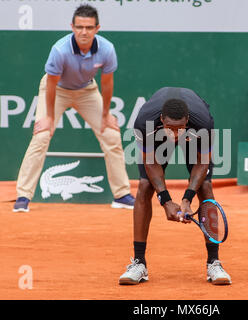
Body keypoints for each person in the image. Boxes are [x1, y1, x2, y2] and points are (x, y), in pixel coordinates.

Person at [13, 4, 135, 212]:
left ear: (97, 28)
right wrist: (50, 117)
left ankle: (121, 195)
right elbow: (51, 84)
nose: (83, 32)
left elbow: (107, 83)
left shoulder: (107, 49)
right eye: (79, 27)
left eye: (88, 28)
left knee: (112, 135)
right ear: (72, 27)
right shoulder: (60, 50)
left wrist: (106, 115)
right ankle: (23, 196)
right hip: (57, 90)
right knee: (41, 136)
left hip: (87, 91)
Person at [119, 87, 231, 285]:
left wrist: (187, 198)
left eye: (179, 128)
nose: (175, 134)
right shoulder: (144, 123)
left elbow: (202, 162)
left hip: (194, 137)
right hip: (155, 138)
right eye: (170, 128)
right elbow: (150, 162)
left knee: (205, 187)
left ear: (187, 120)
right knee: (144, 186)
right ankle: (139, 263)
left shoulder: (203, 124)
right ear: (162, 119)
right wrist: (166, 201)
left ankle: (214, 263)